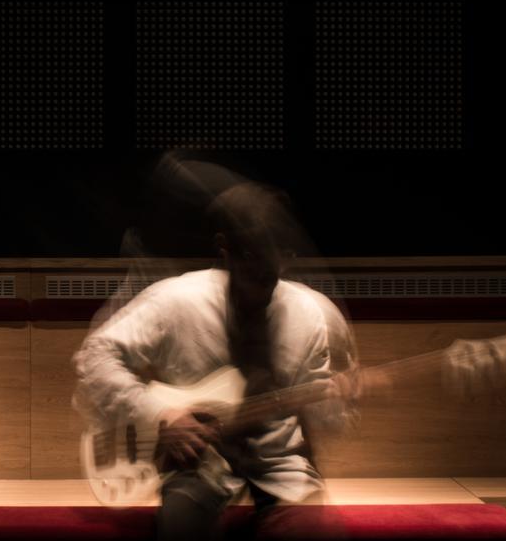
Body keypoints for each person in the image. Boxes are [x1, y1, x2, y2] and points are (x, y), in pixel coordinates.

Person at [73, 180, 359, 540]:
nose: (264, 276)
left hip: (280, 466)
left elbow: (327, 423)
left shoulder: (311, 313)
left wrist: (339, 401)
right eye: (252, 258)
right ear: (225, 249)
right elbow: (95, 356)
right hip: (196, 466)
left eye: (277, 259)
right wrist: (161, 415)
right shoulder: (176, 300)